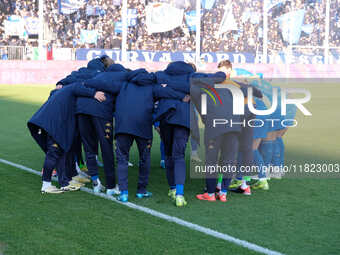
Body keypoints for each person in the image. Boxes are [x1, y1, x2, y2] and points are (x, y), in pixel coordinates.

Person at [113, 68, 188, 202]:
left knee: (122, 159)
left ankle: (123, 192)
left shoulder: (122, 84)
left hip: (123, 125)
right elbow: (167, 92)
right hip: (143, 125)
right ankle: (141, 191)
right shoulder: (152, 86)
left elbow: (104, 85)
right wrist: (182, 97)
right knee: (144, 158)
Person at [27, 83, 106, 193]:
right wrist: (94, 93)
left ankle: (64, 183)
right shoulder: (71, 89)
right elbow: (76, 87)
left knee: (60, 152)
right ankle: (46, 185)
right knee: (53, 153)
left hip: (52, 125)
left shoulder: (65, 95)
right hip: (51, 125)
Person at [79, 63, 128, 194]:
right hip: (101, 111)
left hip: (81, 110)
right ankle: (111, 186)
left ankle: (96, 183)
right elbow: (117, 90)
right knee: (106, 149)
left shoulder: (97, 76)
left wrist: (91, 86)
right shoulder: (122, 77)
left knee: (89, 148)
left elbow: (85, 83)